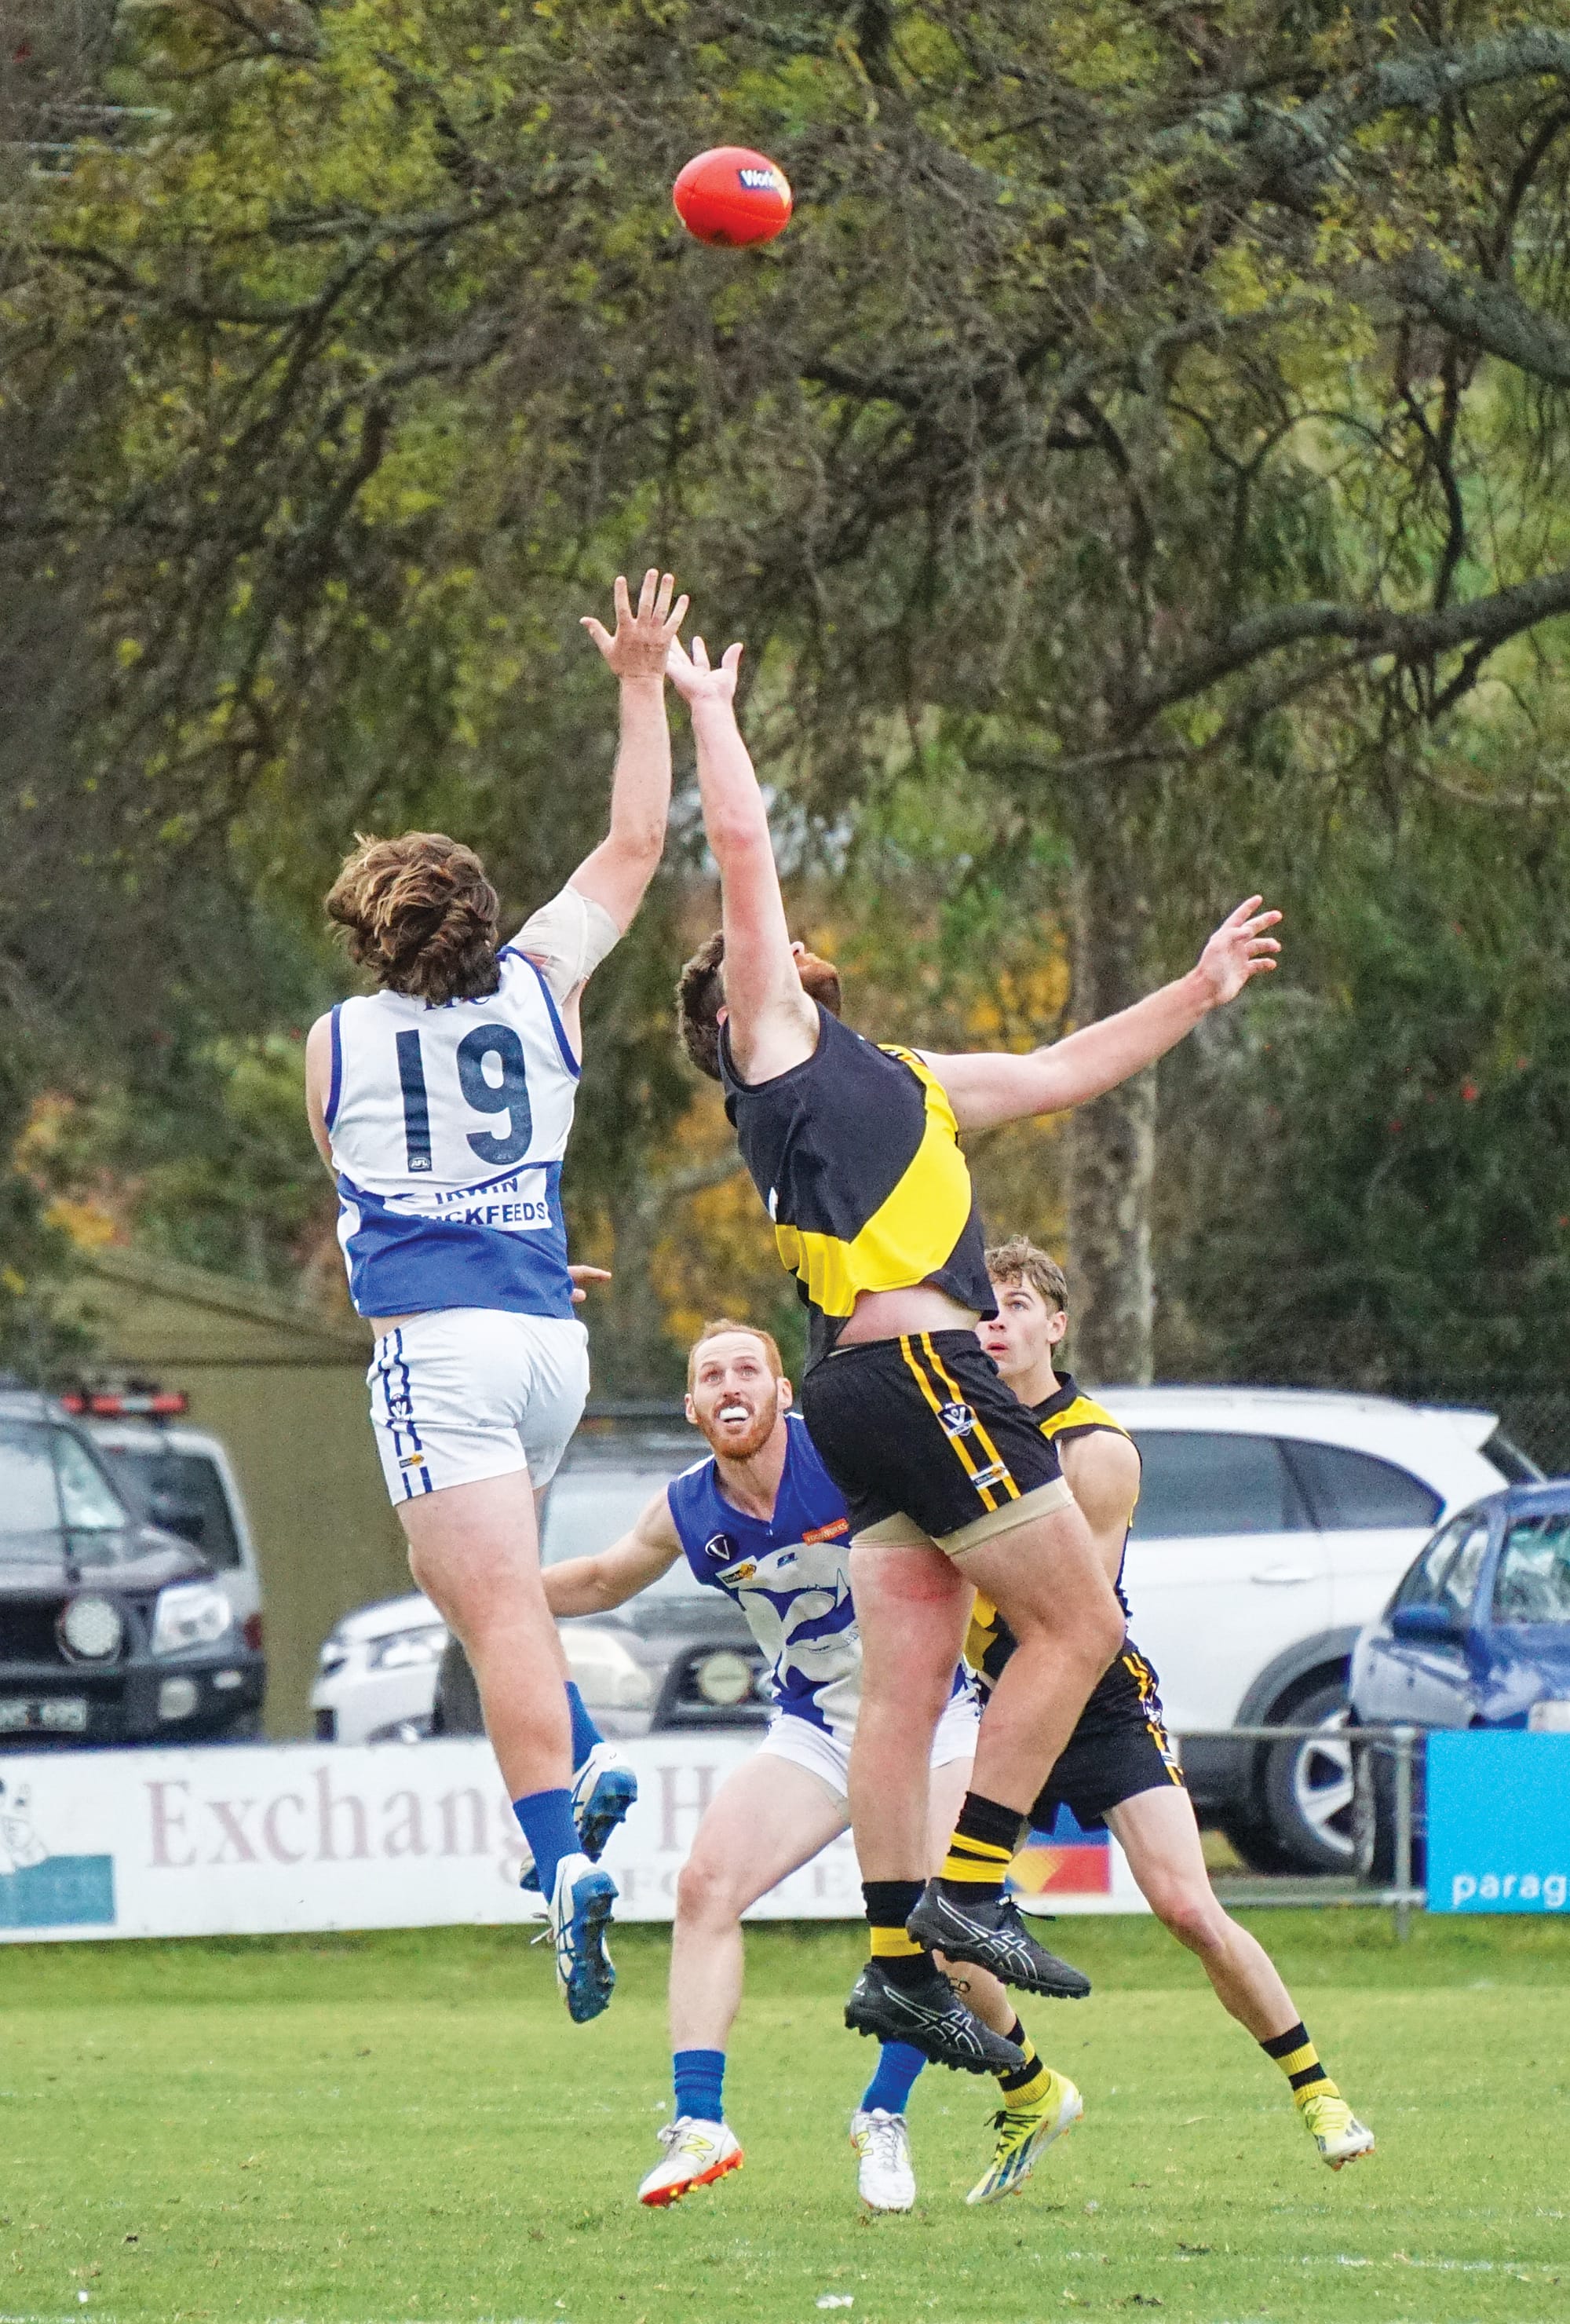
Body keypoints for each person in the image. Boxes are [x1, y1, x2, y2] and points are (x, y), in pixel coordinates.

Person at [666, 624, 1281, 2066]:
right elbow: (744, 854)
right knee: (1083, 1626)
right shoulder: (777, 1052)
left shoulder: (907, 1080)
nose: (792, 951)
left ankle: (897, 1961)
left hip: (856, 1398)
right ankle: (973, 1888)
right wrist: (707, 710)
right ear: (737, 1014)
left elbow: (1066, 1068)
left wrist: (1195, 992)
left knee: (903, 1685)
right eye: (762, 962)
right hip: (924, 1375)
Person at [304, 569, 690, 2023]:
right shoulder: (542, 986)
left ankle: (560, 1853)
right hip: (547, 1333)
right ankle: (581, 1756)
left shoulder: (335, 1042)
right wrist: (639, 681)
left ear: (374, 936)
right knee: (466, 1583)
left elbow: (374, 1201)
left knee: (500, 1617)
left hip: (444, 1346)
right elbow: (640, 840)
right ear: (479, 917)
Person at [539, 1320, 1082, 2212]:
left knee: (938, 1918)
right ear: (691, 1407)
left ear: (783, 1390)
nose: (729, 1384)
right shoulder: (688, 1505)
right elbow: (600, 1579)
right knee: (704, 1888)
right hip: (818, 1728)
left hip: (929, 1714)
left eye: (747, 1367)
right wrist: (486, 1592)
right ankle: (701, 2121)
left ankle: (885, 2113)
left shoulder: (844, 1455)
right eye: (710, 1374)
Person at [962, 1235, 1374, 2172]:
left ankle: (1317, 2091)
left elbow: (1067, 1611)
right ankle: (1029, 2091)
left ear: (1054, 1326)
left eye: (1015, 1304)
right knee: (940, 1919)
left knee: (1187, 1906)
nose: (994, 1319)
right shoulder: (951, 1431)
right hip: (994, 1699)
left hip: (1094, 1695)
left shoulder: (1093, 1446)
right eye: (979, 1305)